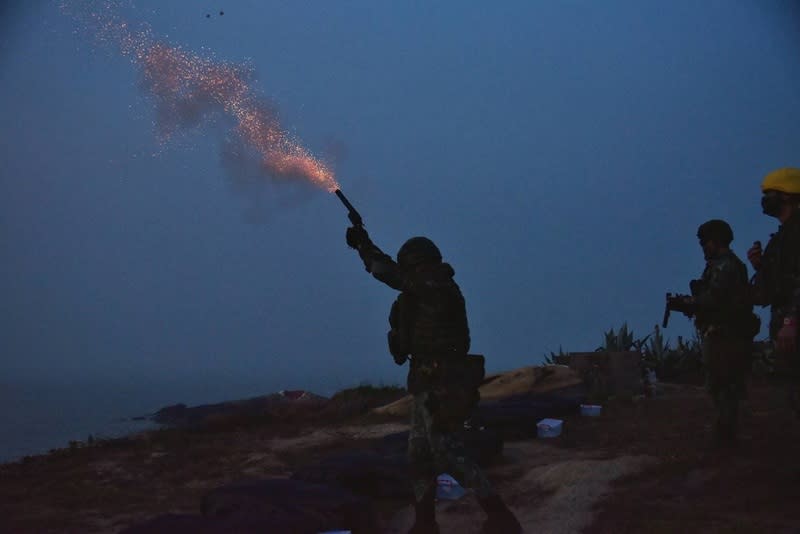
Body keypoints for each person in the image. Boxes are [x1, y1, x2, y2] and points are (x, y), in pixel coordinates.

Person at [345, 225, 521, 534]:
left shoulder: (437, 286)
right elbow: (393, 275)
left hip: (444, 383)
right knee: (418, 456)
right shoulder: (420, 289)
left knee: (449, 453)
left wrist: (364, 246)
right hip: (426, 382)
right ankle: (425, 523)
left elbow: (389, 273)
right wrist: (365, 246)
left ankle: (501, 519)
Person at [669, 220, 758, 445]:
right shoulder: (720, 265)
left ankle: (726, 435)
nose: (702, 246)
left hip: (726, 335)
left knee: (724, 385)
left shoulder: (726, 266)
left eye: (705, 242)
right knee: (720, 384)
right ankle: (725, 431)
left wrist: (689, 303)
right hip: (722, 334)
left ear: (716, 241)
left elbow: (715, 299)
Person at [748, 167, 800, 412]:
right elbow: (770, 290)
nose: (765, 200)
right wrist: (760, 266)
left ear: (788, 196)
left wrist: (791, 322)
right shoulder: (782, 237)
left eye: (771, 194)